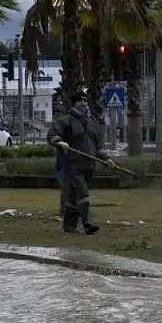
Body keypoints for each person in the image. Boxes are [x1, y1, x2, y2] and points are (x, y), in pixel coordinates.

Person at [47, 91, 111, 235]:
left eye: (85, 101)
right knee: (83, 193)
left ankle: (69, 226)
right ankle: (88, 223)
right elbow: (52, 134)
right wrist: (60, 142)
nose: (84, 103)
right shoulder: (65, 121)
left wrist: (106, 158)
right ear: (74, 104)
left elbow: (98, 145)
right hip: (72, 166)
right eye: (80, 101)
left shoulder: (91, 123)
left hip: (89, 165)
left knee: (75, 197)